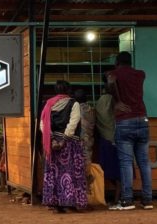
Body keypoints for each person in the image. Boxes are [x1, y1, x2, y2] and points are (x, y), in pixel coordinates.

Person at [107, 51, 153, 210]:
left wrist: (118, 101)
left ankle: (127, 200)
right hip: (143, 119)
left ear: (117, 62)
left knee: (126, 162)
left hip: (125, 120)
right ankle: (147, 200)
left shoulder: (114, 73)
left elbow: (110, 82)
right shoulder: (140, 74)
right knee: (144, 163)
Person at [40, 81, 88, 213]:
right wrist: (64, 140)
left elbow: (43, 124)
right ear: (68, 90)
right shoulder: (74, 104)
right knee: (70, 172)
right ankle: (69, 203)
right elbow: (73, 123)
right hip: (69, 144)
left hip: (52, 144)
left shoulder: (48, 104)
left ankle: (54, 203)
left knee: (53, 173)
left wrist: (52, 139)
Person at [93, 78, 120, 205]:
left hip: (104, 139)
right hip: (116, 139)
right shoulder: (114, 100)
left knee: (104, 172)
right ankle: (118, 198)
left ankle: (102, 197)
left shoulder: (99, 102)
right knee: (119, 173)